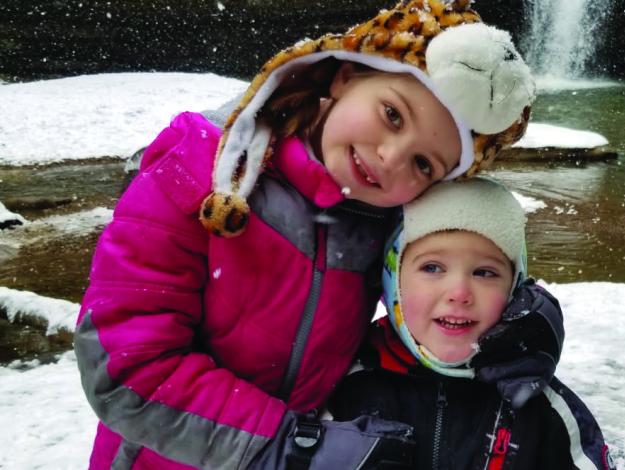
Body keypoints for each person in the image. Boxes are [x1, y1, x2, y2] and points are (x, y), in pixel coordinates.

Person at [74, 1, 539, 468]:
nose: (390, 157)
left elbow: (442, 288)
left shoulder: (383, 215)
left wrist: (519, 326)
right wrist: (289, 447)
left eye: (423, 164)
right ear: (346, 75)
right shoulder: (199, 173)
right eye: (392, 115)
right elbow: (126, 370)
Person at [327, 178, 615, 470]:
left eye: (484, 272)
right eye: (432, 267)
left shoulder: (542, 409)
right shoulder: (347, 389)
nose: (460, 293)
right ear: (394, 281)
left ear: (513, 287)